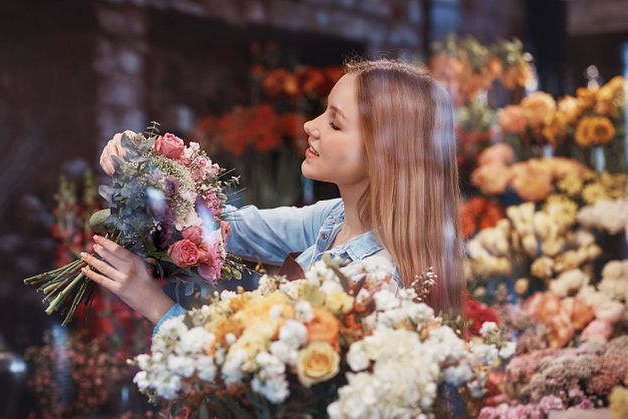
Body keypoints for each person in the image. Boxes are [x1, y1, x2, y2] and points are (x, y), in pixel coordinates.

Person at [79, 58, 465, 334]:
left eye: (335, 122)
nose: (310, 126)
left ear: (386, 154)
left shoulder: (371, 280)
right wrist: (154, 170)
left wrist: (149, 300)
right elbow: (232, 228)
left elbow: (249, 381)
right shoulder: (334, 219)